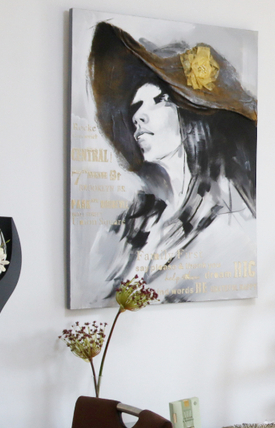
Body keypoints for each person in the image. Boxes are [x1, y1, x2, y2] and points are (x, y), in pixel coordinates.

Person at [86, 21, 258, 304]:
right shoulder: (130, 223)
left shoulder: (227, 224)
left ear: (190, 115)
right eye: (135, 107)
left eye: (157, 100)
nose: (137, 117)